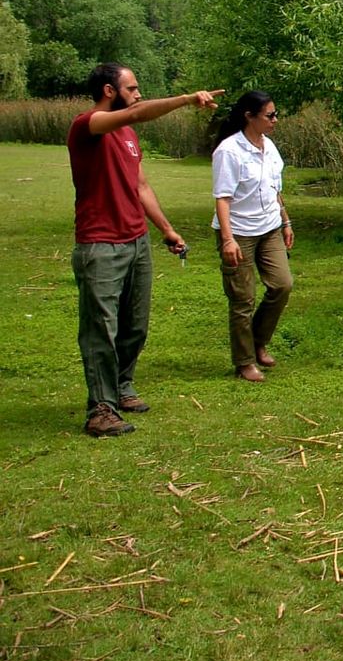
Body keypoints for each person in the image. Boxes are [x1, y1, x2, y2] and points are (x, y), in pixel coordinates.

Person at [68, 63, 222, 437]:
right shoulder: (87, 125)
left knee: (134, 325)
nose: (138, 94)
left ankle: (120, 388)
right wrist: (187, 99)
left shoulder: (127, 136)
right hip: (100, 244)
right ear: (109, 90)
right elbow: (137, 111)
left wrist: (166, 229)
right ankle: (100, 410)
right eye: (132, 87)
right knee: (100, 328)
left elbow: (141, 187)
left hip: (136, 241)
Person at [212, 91, 294, 383]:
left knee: (282, 285)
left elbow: (275, 189)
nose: (275, 120)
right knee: (243, 299)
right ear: (250, 117)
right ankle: (244, 361)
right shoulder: (229, 151)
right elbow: (222, 199)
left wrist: (286, 221)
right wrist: (228, 239)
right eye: (269, 115)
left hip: (269, 226)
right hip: (240, 231)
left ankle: (258, 341)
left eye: (275, 114)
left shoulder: (269, 147)